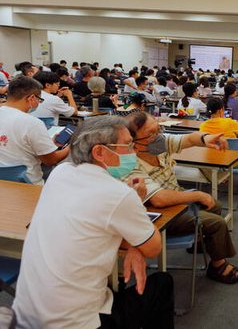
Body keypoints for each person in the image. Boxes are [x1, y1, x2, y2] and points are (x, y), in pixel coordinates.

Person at [13, 116, 174, 328]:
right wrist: (136, 202)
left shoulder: (59, 173)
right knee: (162, 283)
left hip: (25, 316)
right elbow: (153, 248)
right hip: (76, 323)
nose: (133, 151)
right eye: (127, 145)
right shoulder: (119, 195)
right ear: (99, 152)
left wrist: (133, 237)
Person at [123, 112, 238, 284]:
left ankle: (199, 240)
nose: (158, 136)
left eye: (158, 130)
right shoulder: (129, 165)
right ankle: (218, 267)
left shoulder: (158, 144)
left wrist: (206, 138)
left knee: (214, 205)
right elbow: (159, 199)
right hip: (158, 212)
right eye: (151, 134)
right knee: (216, 223)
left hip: (174, 199)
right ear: (133, 143)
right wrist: (198, 194)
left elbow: (189, 139)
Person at [0, 77, 70, 184]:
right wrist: (71, 147)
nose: (38, 103)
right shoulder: (32, 122)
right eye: (39, 100)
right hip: (27, 184)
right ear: (31, 98)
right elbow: (51, 160)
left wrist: (49, 144)